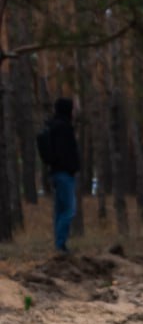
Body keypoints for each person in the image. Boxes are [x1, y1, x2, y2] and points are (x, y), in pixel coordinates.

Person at [37, 97, 80, 253]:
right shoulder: (63, 128)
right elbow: (65, 152)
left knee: (60, 210)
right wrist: (72, 167)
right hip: (64, 174)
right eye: (72, 109)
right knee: (69, 210)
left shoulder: (54, 126)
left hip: (56, 173)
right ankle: (60, 244)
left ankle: (59, 244)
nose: (74, 112)